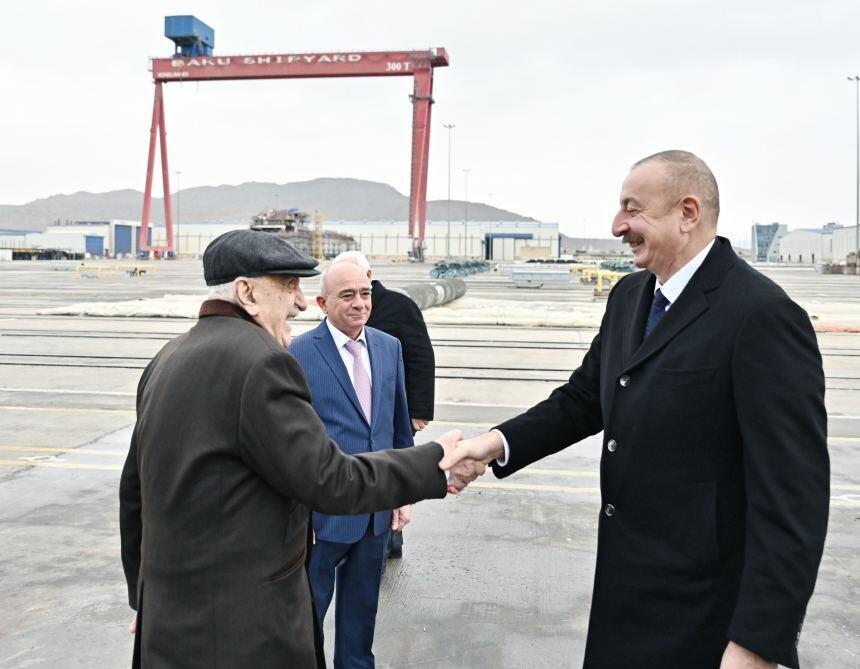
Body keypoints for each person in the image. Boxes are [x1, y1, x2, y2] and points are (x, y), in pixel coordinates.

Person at [440, 150, 830, 669]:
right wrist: (493, 445)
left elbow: (793, 497)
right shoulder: (629, 296)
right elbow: (583, 399)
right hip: (623, 600)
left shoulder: (761, 315)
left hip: (706, 620)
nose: (617, 226)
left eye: (632, 209)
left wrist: (758, 644)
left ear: (687, 213)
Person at [119, 229, 481, 669]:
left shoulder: (167, 358)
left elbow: (135, 493)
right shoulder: (262, 362)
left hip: (169, 624)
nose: (301, 302)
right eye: (289, 286)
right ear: (246, 292)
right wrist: (433, 462)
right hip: (242, 627)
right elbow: (329, 478)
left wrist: (143, 597)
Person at [290, 262, 411, 668]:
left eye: (365, 293)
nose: (360, 303)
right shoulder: (298, 353)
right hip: (322, 517)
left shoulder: (389, 347)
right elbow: (290, 445)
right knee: (307, 615)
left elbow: (397, 428)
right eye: (347, 295)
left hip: (376, 511)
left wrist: (403, 493)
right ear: (322, 303)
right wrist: (298, 512)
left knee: (362, 616)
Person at [332, 250, 435, 559]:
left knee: (389, 471)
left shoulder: (399, 305)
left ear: (369, 274)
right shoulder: (340, 305)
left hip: (390, 410)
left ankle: (391, 538)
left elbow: (421, 356)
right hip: (352, 410)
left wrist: (419, 411)